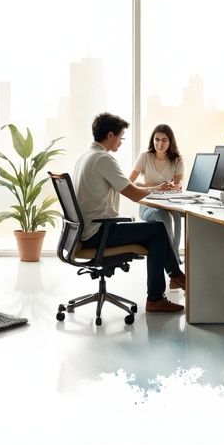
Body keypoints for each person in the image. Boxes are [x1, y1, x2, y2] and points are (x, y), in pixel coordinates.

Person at [73, 113, 187, 313]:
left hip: (85, 231)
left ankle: (171, 280)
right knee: (158, 230)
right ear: (110, 135)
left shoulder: (85, 156)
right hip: (99, 232)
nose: (121, 142)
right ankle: (165, 288)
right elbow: (133, 194)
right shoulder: (103, 158)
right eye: (121, 137)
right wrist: (159, 189)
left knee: (155, 232)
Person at [129, 124, 185, 256]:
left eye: (164, 140)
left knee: (177, 216)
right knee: (163, 214)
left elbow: (177, 185)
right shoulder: (145, 157)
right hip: (148, 205)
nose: (160, 144)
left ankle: (175, 253)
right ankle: (170, 255)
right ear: (152, 140)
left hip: (169, 202)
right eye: (157, 139)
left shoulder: (177, 159)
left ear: (170, 141)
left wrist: (176, 186)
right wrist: (155, 186)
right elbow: (130, 183)